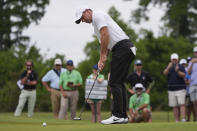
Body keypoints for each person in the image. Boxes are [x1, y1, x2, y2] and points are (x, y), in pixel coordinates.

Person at [75, 5, 136, 124]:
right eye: (81, 20)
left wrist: (103, 57)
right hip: (124, 48)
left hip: (122, 48)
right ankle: (123, 116)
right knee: (119, 82)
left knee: (113, 82)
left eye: (82, 17)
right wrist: (101, 60)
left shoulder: (97, 15)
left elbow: (105, 35)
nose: (83, 20)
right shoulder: (95, 27)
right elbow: (105, 44)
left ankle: (117, 115)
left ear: (87, 11)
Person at [163, 53, 186, 122]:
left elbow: (183, 75)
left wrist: (178, 71)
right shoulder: (169, 67)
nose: (174, 61)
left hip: (180, 89)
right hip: (171, 89)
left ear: (178, 60)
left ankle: (183, 119)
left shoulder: (181, 66)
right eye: (173, 59)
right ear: (171, 60)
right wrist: (168, 67)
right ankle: (177, 120)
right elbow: (164, 73)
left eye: (175, 59)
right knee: (174, 106)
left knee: (181, 104)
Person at [187, 46, 197, 121]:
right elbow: (189, 72)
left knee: (196, 101)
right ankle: (196, 118)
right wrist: (193, 63)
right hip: (192, 84)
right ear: (194, 53)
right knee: (194, 103)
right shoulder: (191, 62)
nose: (196, 53)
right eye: (195, 52)